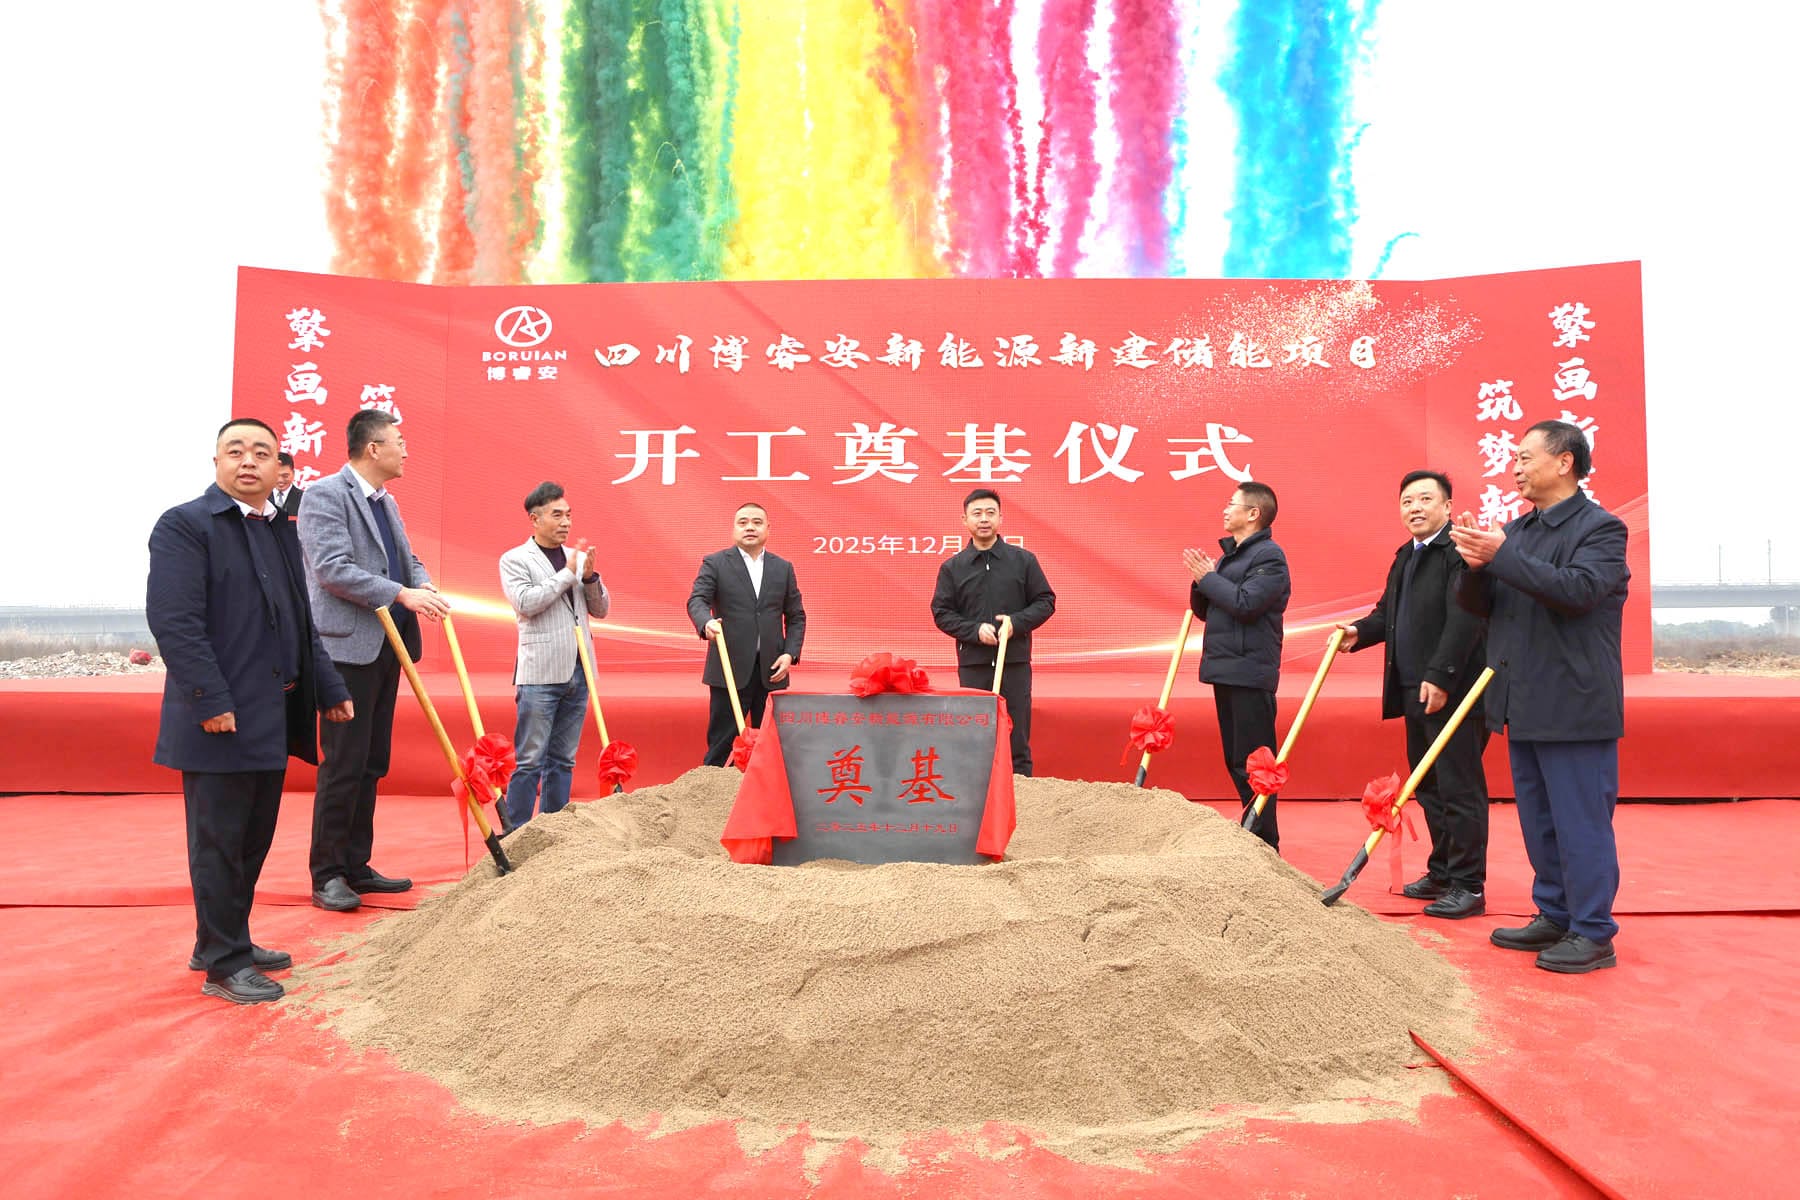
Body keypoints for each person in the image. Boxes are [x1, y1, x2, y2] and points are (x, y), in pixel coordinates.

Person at [148, 418, 354, 1004]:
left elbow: (299, 623)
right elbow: (176, 624)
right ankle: (224, 964)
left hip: (271, 715)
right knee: (218, 841)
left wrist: (331, 688)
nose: (248, 461)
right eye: (234, 451)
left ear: (278, 467)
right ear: (216, 462)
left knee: (251, 839)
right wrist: (209, 699)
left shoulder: (278, 530)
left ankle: (219, 938)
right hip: (219, 719)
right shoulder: (185, 526)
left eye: (261, 452)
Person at [1451, 420, 1629, 974]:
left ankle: (1594, 931)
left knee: (1581, 822)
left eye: (1527, 458)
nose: (1517, 468)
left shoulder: (1602, 529)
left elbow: (1577, 592)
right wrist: (1476, 567)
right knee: (1540, 821)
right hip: (1521, 699)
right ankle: (1554, 913)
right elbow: (1484, 606)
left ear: (1565, 462)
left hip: (1575, 704)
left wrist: (1500, 556)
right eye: (1516, 459)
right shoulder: (1517, 532)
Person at [297, 410, 450, 912]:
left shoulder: (387, 501)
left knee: (371, 761)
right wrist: (402, 593)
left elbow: (407, 558)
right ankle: (328, 873)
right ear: (372, 449)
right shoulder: (325, 495)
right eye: (399, 442)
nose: (406, 451)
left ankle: (356, 864)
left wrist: (421, 583)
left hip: (389, 646)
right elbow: (332, 569)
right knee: (343, 762)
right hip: (347, 648)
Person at [1338, 470, 1490, 918]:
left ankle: (1469, 884)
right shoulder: (1407, 555)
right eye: (1407, 501)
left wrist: (1441, 676)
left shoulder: (1458, 551)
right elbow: (1387, 612)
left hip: (1454, 690)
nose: (1415, 508)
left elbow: (1466, 618)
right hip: (1413, 689)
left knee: (1460, 788)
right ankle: (1443, 871)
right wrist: (1357, 633)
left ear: (1447, 506)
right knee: (1429, 787)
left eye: (1426, 499)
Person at [498, 481, 609, 829]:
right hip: (540, 674)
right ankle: (515, 833)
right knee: (530, 758)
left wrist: (589, 578)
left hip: (579, 671)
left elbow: (601, 609)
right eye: (556, 515)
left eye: (568, 515)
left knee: (563, 759)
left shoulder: (576, 559)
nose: (565, 522)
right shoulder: (515, 559)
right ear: (534, 519)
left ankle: (555, 830)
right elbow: (526, 603)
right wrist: (567, 574)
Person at [1186, 482, 1290, 850]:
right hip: (1225, 668)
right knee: (1236, 759)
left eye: (1232, 504)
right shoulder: (1232, 556)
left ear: (1253, 514)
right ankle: (1253, 828)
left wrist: (1208, 577)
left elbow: (1246, 604)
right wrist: (1203, 580)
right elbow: (1205, 610)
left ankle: (1266, 839)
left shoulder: (1269, 557)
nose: (1224, 510)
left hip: (1250, 671)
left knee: (1257, 761)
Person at [930, 489, 1057, 775]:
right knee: (975, 732)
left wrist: (1015, 623)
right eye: (977, 514)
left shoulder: (1023, 561)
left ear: (1000, 518)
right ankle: (979, 797)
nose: (984, 519)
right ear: (964, 520)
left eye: (990, 513)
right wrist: (974, 631)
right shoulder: (953, 568)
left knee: (1017, 734)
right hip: (974, 665)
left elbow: (1045, 601)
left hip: (1014, 662)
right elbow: (942, 613)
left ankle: (1021, 795)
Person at [686, 502, 806, 766]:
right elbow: (697, 600)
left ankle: (765, 800)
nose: (750, 527)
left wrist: (790, 653)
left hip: (772, 670)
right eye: (743, 522)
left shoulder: (782, 568)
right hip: (729, 670)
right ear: (734, 528)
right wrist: (706, 623)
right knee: (721, 745)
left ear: (767, 529)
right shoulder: (715, 563)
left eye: (756, 522)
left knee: (771, 744)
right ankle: (714, 800)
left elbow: (796, 616)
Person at [272, 452, 303, 516]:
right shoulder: (260, 497)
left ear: (293, 473)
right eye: (276, 475)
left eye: (285, 476)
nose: (280, 480)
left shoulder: (303, 498)